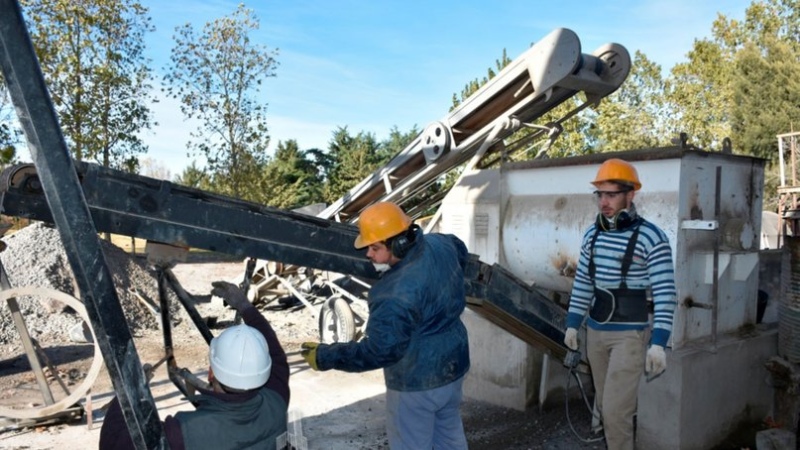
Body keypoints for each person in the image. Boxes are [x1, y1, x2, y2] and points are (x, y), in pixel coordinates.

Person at [300, 201, 471, 450]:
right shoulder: (440, 244)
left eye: (375, 247)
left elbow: (381, 351)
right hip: (454, 367)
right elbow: (461, 251)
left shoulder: (393, 293)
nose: (368, 254)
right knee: (450, 437)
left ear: (399, 243)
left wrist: (328, 356)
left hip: (416, 382)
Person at [563, 158, 677, 450]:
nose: (604, 201)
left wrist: (659, 342)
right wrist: (573, 324)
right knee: (605, 405)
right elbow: (583, 283)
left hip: (629, 336)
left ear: (631, 195)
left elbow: (665, 292)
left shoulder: (652, 237)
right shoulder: (593, 234)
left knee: (615, 413)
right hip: (596, 334)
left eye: (611, 194)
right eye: (600, 194)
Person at [99, 281, 289, 450]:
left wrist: (130, 390)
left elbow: (114, 444)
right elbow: (277, 358)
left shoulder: (184, 433)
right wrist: (245, 306)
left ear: (211, 373)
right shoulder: (277, 401)